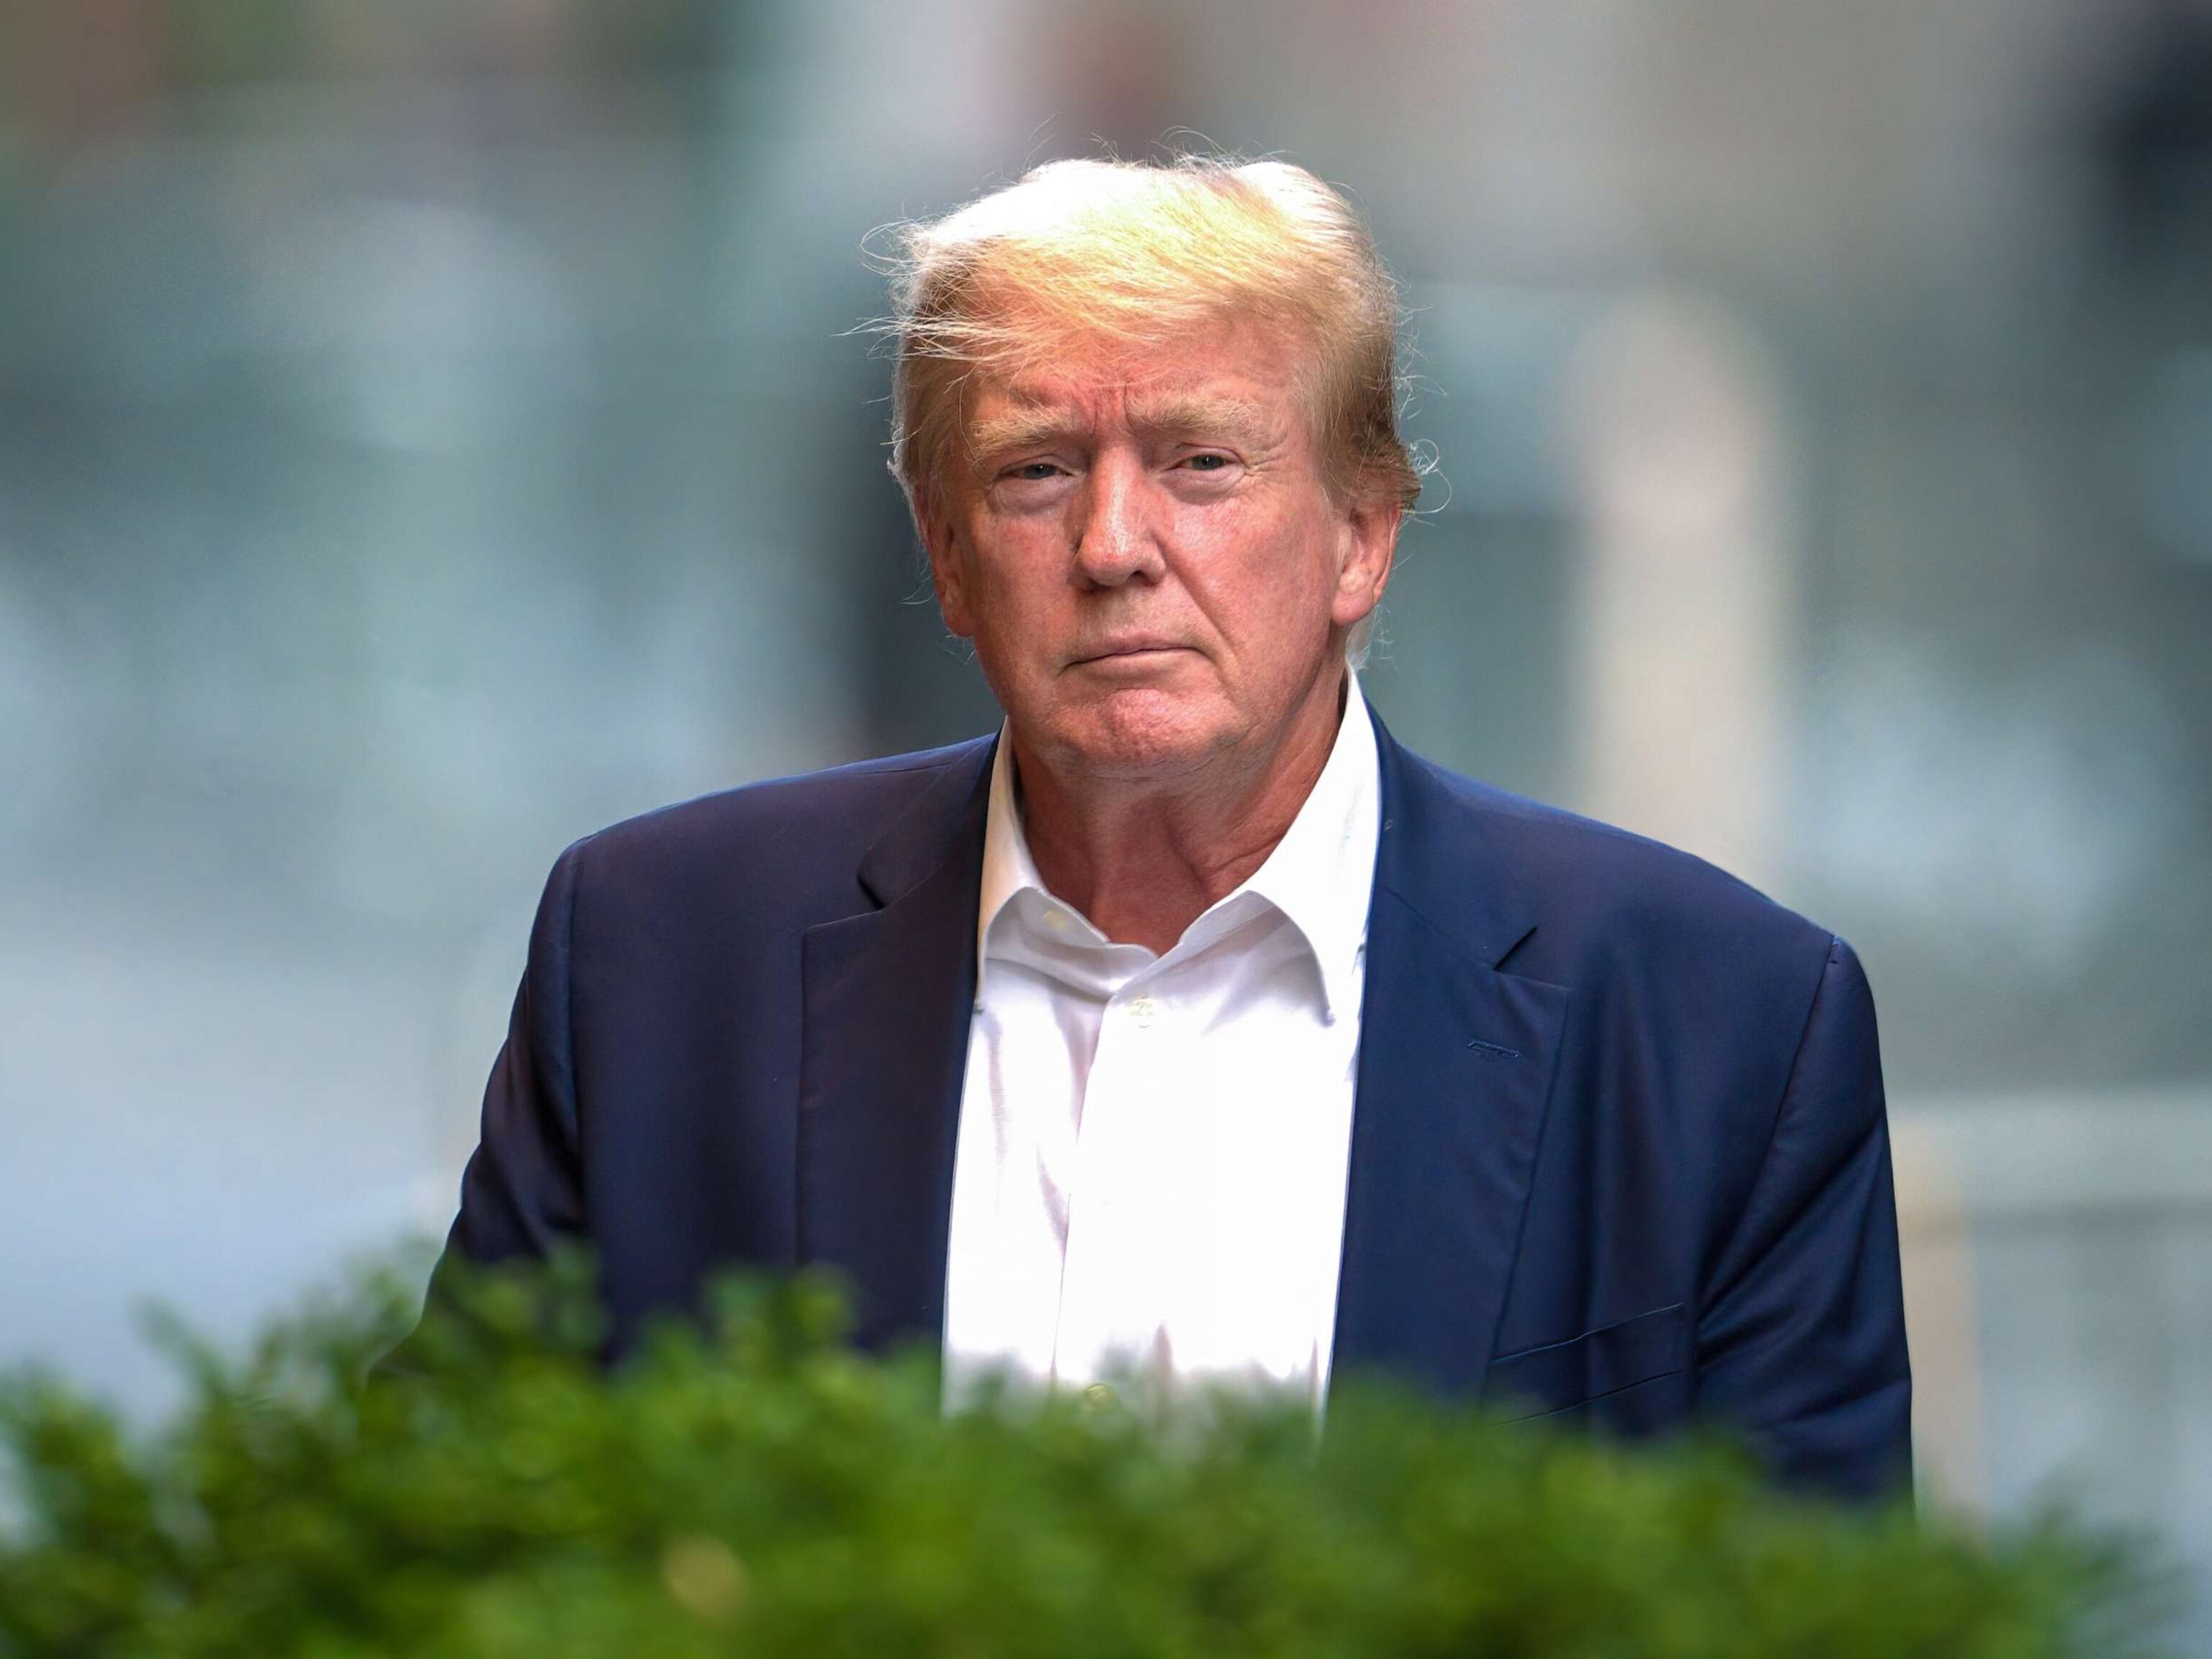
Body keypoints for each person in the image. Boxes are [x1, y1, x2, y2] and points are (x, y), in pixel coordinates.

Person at [412, 156, 1910, 1501]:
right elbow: (431, 1533)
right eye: (1036, 471)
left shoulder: (1720, 1024)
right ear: (942, 555)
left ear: (1362, 536)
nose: (1114, 548)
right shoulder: (663, 956)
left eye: (1202, 463)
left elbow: (1811, 1604)